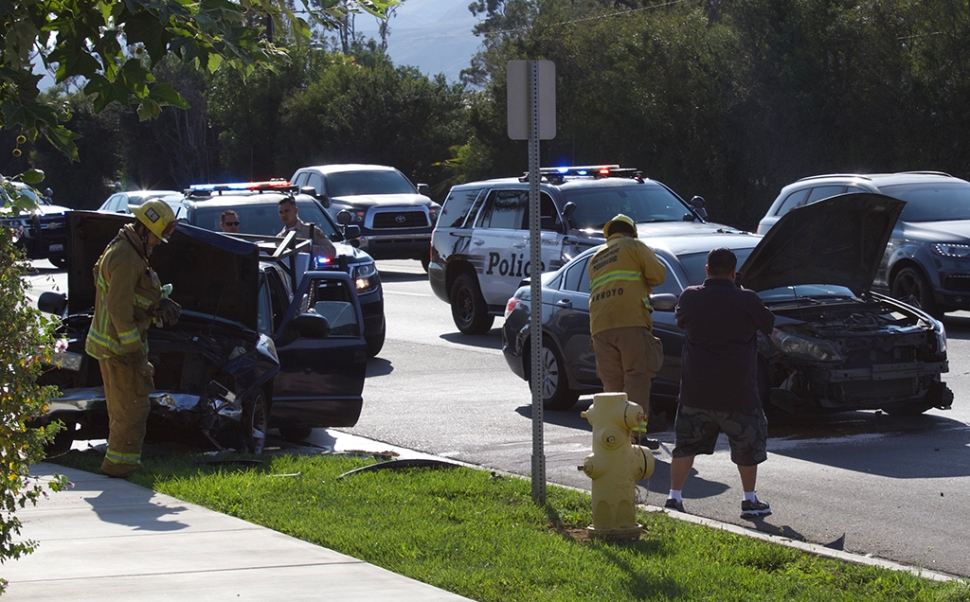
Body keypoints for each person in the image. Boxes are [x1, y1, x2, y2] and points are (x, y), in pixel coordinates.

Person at [665, 247, 775, 518]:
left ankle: (674, 497)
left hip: (696, 392)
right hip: (738, 393)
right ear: (734, 272)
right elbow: (768, 324)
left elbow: (680, 319)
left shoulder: (690, 297)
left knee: (685, 445)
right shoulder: (747, 300)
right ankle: (749, 501)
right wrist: (746, 295)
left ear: (706, 270)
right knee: (747, 448)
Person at [85, 199, 182, 478]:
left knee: (126, 408)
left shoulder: (130, 249)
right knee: (132, 408)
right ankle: (120, 467)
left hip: (117, 345)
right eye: (158, 236)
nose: (160, 243)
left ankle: (122, 465)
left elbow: (132, 297)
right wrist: (133, 349)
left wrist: (158, 304)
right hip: (120, 348)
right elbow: (118, 308)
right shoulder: (127, 257)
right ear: (144, 229)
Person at [587, 214, 667, 445]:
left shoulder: (596, 257)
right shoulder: (633, 245)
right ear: (632, 232)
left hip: (600, 326)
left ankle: (615, 439)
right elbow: (658, 275)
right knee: (637, 378)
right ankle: (637, 436)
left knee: (612, 385)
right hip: (630, 320)